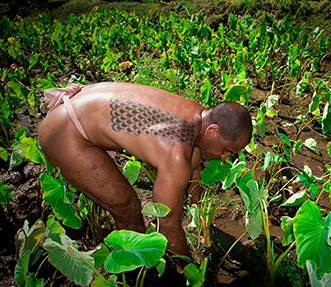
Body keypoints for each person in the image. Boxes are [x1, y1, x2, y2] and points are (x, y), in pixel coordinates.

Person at [38, 82, 252, 264]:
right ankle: (131, 272)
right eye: (226, 150)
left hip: (79, 106)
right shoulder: (176, 154)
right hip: (64, 133)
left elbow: (195, 166)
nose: (224, 158)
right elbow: (166, 224)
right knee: (128, 207)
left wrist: (198, 212)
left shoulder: (195, 113)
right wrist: (192, 269)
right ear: (212, 130)